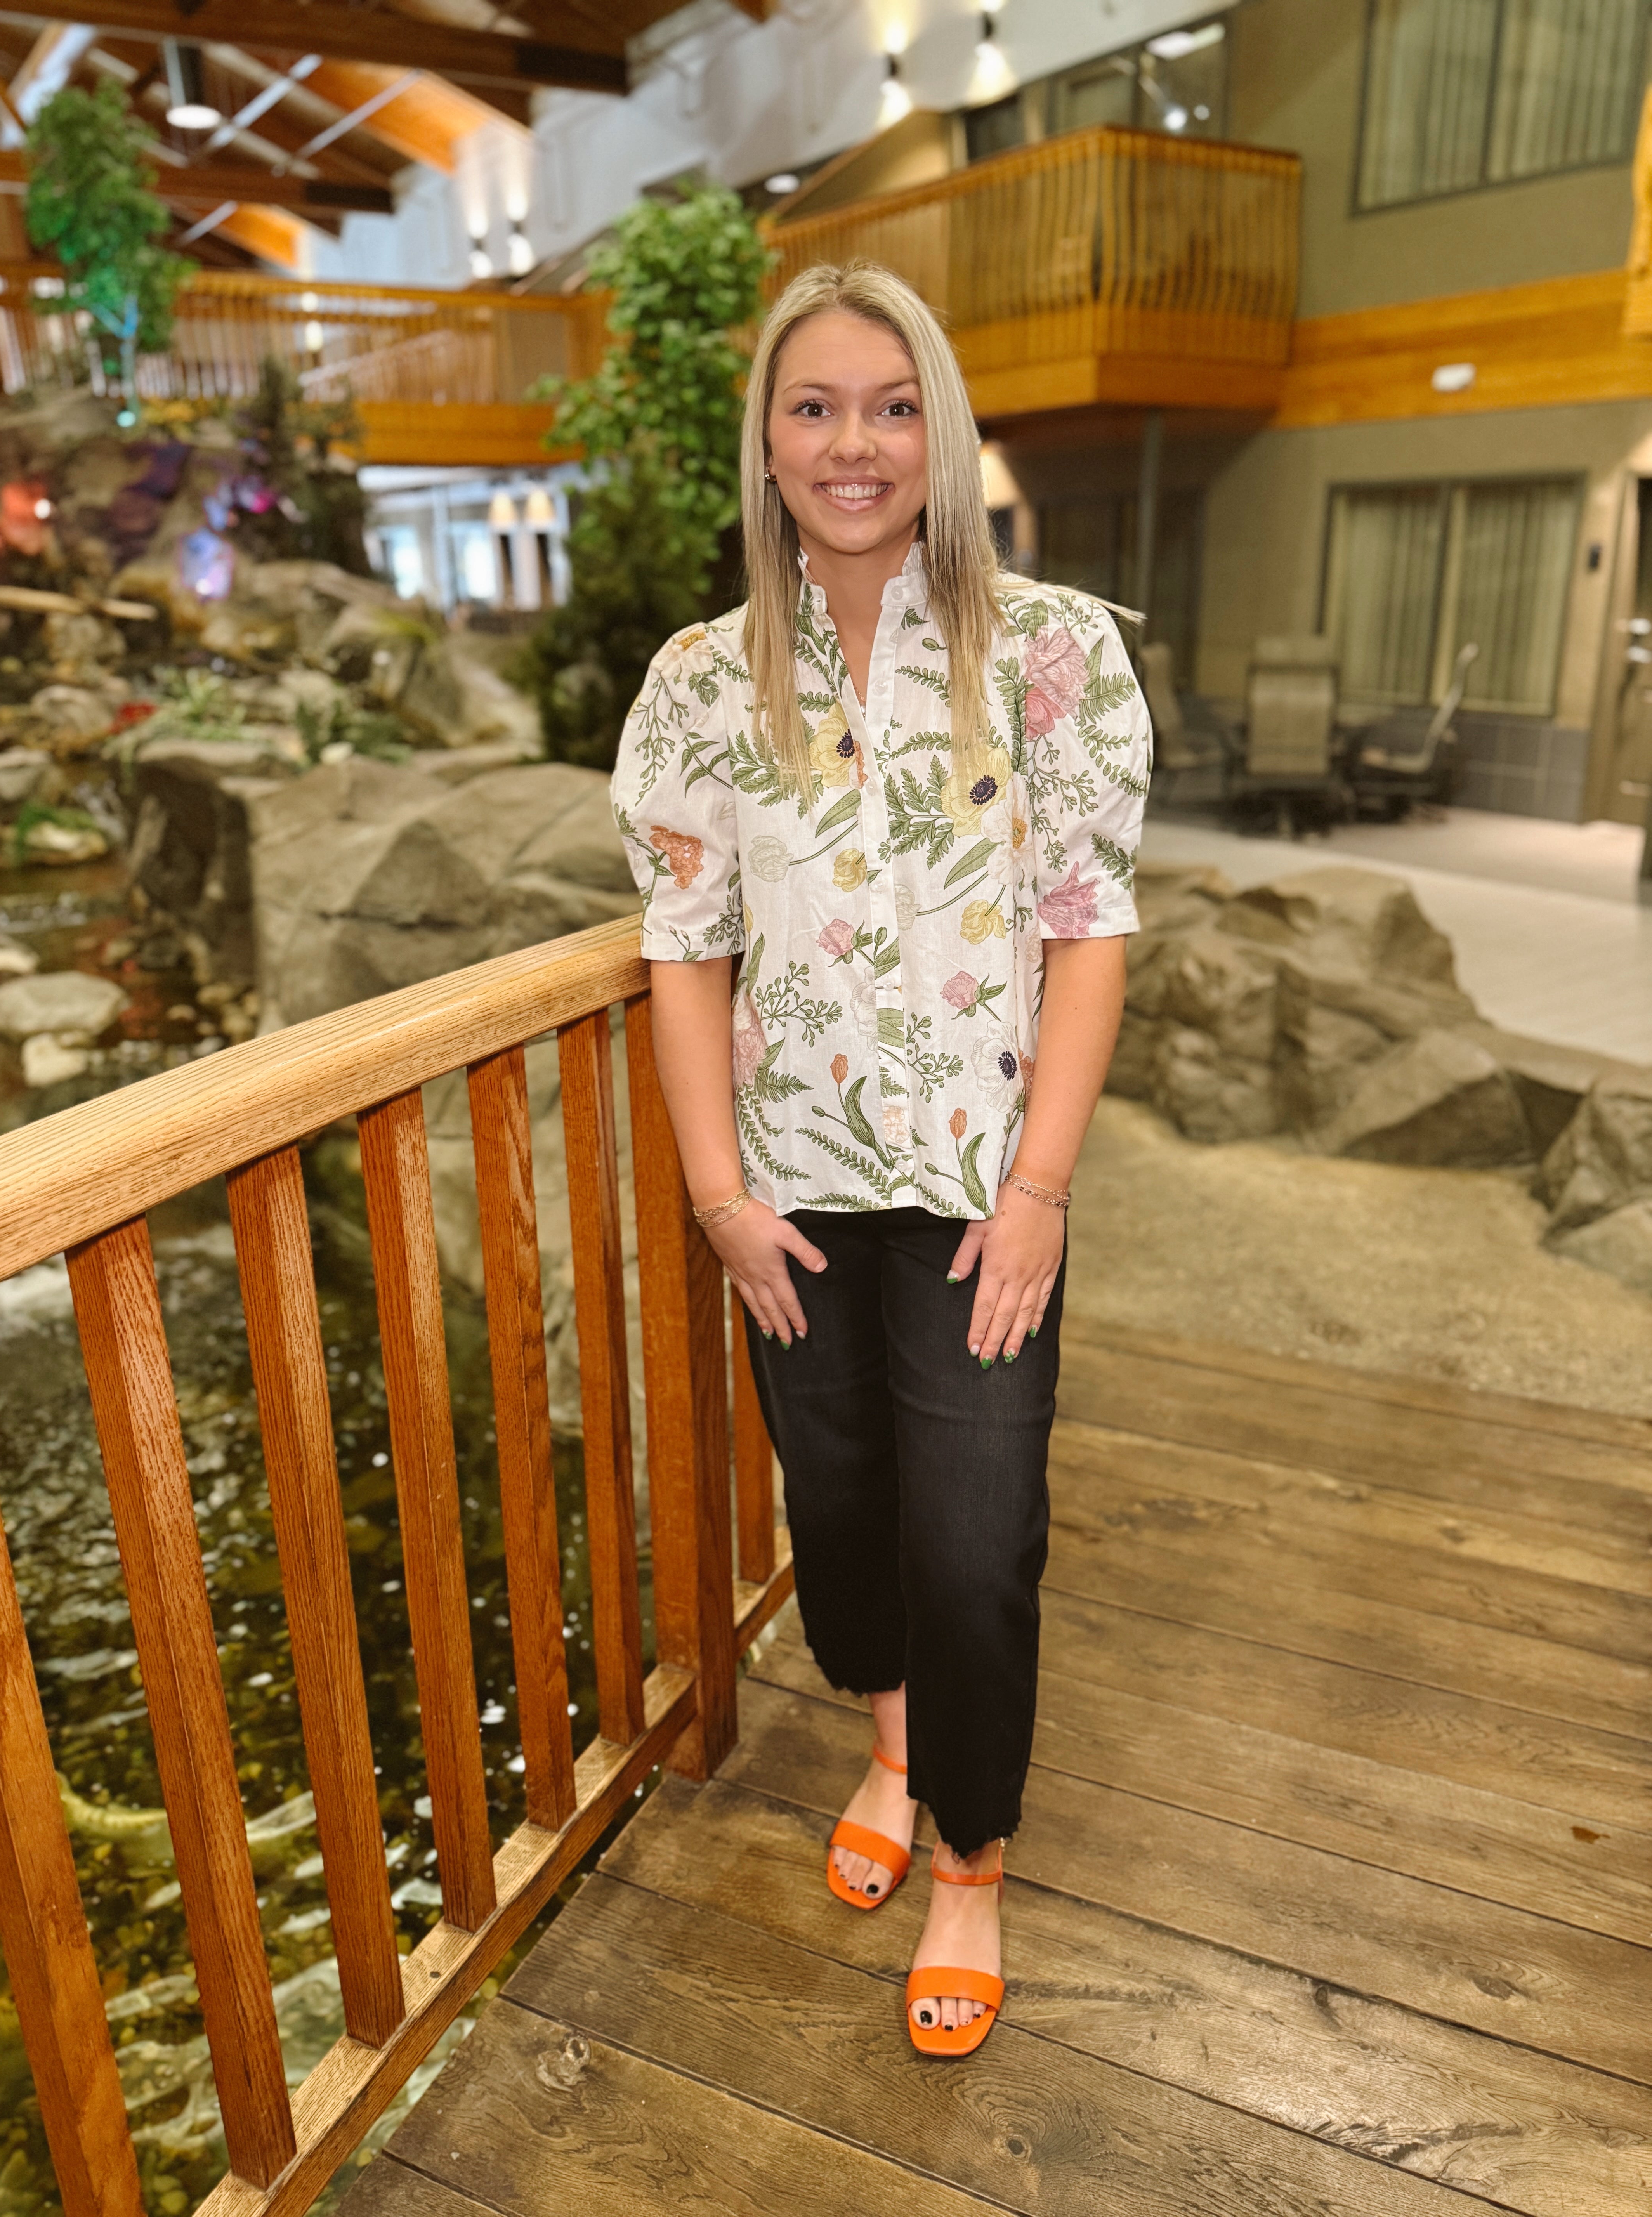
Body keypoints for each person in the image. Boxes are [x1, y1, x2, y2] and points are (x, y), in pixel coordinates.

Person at [612, 260, 1149, 2057]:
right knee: (837, 1509)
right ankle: (896, 1749)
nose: (856, 443)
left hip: (986, 1195)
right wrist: (718, 1198)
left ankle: (972, 1860)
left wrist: (1044, 1192)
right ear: (768, 440)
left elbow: (1089, 930)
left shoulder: (1051, 652)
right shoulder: (703, 682)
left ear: (943, 427)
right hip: (790, 1197)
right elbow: (685, 952)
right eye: (817, 406)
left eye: (894, 405)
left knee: (980, 1542)